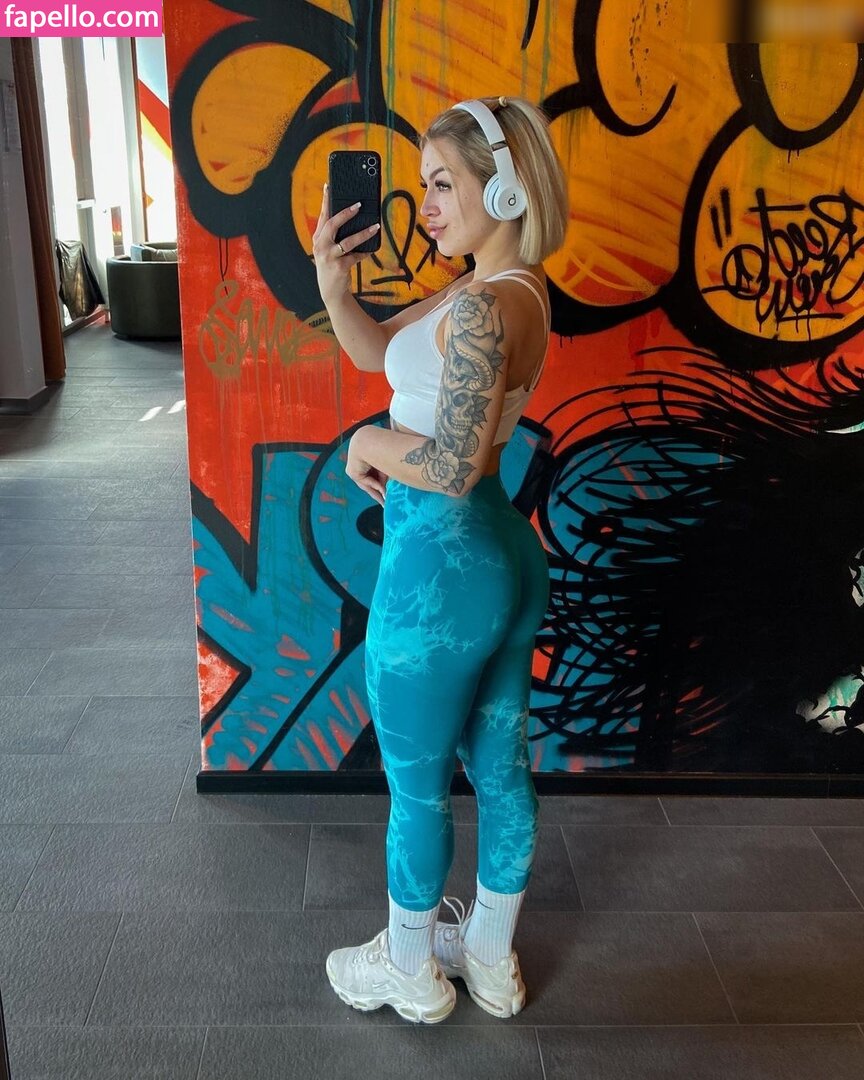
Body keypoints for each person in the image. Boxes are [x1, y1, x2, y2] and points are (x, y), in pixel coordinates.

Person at [312, 95, 568, 1023]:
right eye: (422, 185)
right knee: (500, 768)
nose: (424, 204)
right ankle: (490, 958)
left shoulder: (484, 308)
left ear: (504, 187)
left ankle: (411, 970)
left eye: (443, 183)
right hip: (499, 558)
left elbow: (452, 466)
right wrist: (335, 286)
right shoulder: (502, 289)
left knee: (417, 789)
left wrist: (368, 443)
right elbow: (380, 353)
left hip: (439, 574)